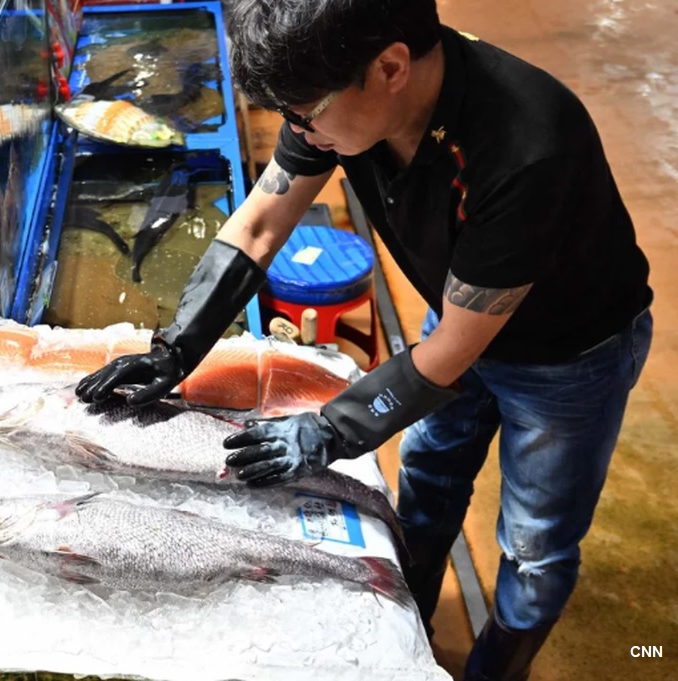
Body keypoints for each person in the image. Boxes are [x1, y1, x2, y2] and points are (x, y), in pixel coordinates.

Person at [74, 1, 653, 679]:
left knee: (534, 543)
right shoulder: (340, 98)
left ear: (390, 67)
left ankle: (496, 668)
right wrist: (174, 347)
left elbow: (449, 354)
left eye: (305, 111)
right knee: (430, 469)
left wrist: (326, 429)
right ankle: (408, 623)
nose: (297, 130)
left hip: (568, 355)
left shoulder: (525, 147)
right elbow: (260, 224)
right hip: (462, 307)